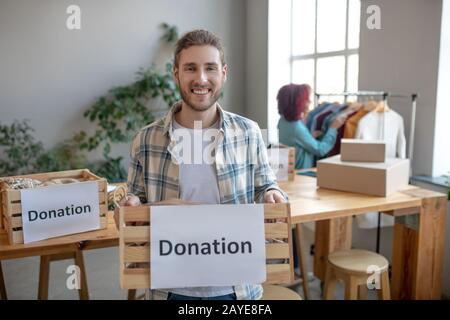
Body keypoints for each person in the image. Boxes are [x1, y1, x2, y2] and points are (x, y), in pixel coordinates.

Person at [118, 29, 287, 300]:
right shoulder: (146, 139)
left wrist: (271, 193)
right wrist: (130, 206)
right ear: (176, 74)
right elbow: (135, 198)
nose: (201, 78)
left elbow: (265, 185)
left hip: (236, 286)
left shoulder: (249, 132)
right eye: (190, 68)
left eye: (210, 68)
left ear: (223, 73)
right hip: (170, 286)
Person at [277, 84, 347, 169]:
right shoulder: (296, 126)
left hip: (290, 171)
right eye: (306, 100)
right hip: (300, 175)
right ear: (298, 102)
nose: (310, 102)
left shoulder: (282, 121)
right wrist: (333, 128)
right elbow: (320, 150)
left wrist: (310, 137)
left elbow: (295, 142)